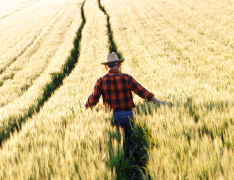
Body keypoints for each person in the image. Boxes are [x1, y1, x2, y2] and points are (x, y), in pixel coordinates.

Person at [84, 52, 168, 155]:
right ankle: (130, 158)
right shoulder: (126, 77)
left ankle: (119, 158)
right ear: (119, 65)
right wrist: (158, 102)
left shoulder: (101, 81)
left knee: (115, 143)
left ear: (106, 67)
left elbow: (93, 100)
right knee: (130, 142)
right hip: (127, 115)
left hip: (111, 116)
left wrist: (84, 109)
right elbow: (142, 92)